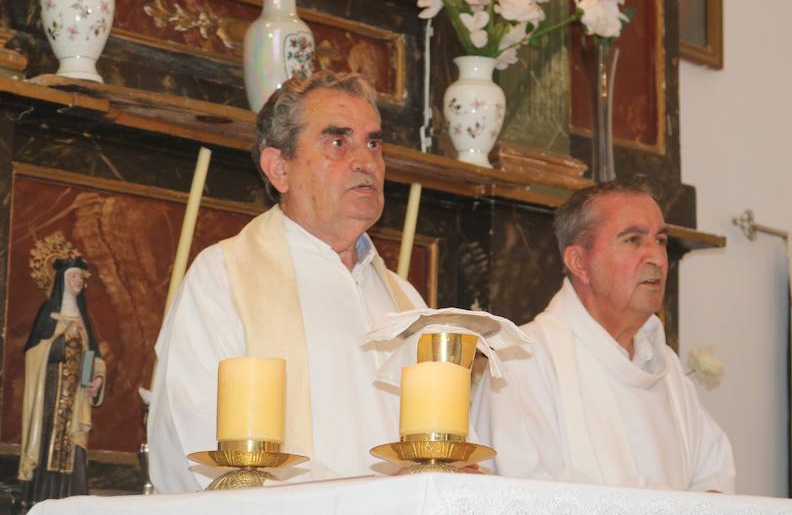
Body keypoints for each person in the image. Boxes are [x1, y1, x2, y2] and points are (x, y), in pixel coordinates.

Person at [148, 71, 432, 492]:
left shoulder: (404, 299)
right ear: (280, 168)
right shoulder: (224, 277)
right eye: (338, 142)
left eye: (373, 142)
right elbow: (195, 440)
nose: (366, 160)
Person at [483, 181, 735, 491]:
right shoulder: (521, 359)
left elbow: (714, 477)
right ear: (579, 262)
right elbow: (524, 493)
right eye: (633, 240)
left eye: (661, 240)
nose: (656, 257)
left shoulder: (665, 368)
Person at [19, 257, 106, 507]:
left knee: (75, 444)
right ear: (63, 281)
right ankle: (42, 497)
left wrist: (97, 378)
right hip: (50, 393)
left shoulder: (84, 318)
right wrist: (63, 337)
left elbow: (94, 356)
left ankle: (74, 501)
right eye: (74, 277)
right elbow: (33, 353)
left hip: (76, 396)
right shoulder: (48, 312)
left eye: (81, 278)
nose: (79, 282)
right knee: (49, 441)